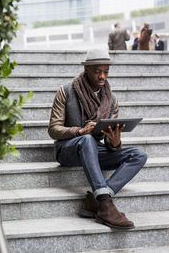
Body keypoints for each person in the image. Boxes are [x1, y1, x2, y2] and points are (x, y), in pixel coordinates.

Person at [48, 48, 148, 230]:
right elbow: (53, 129)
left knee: (139, 155)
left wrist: (115, 142)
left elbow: (110, 143)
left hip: (94, 149)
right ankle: (105, 204)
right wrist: (79, 131)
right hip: (68, 150)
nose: (102, 76)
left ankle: (96, 200)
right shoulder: (66, 91)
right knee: (86, 140)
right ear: (87, 70)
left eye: (106, 72)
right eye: (98, 72)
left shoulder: (112, 100)